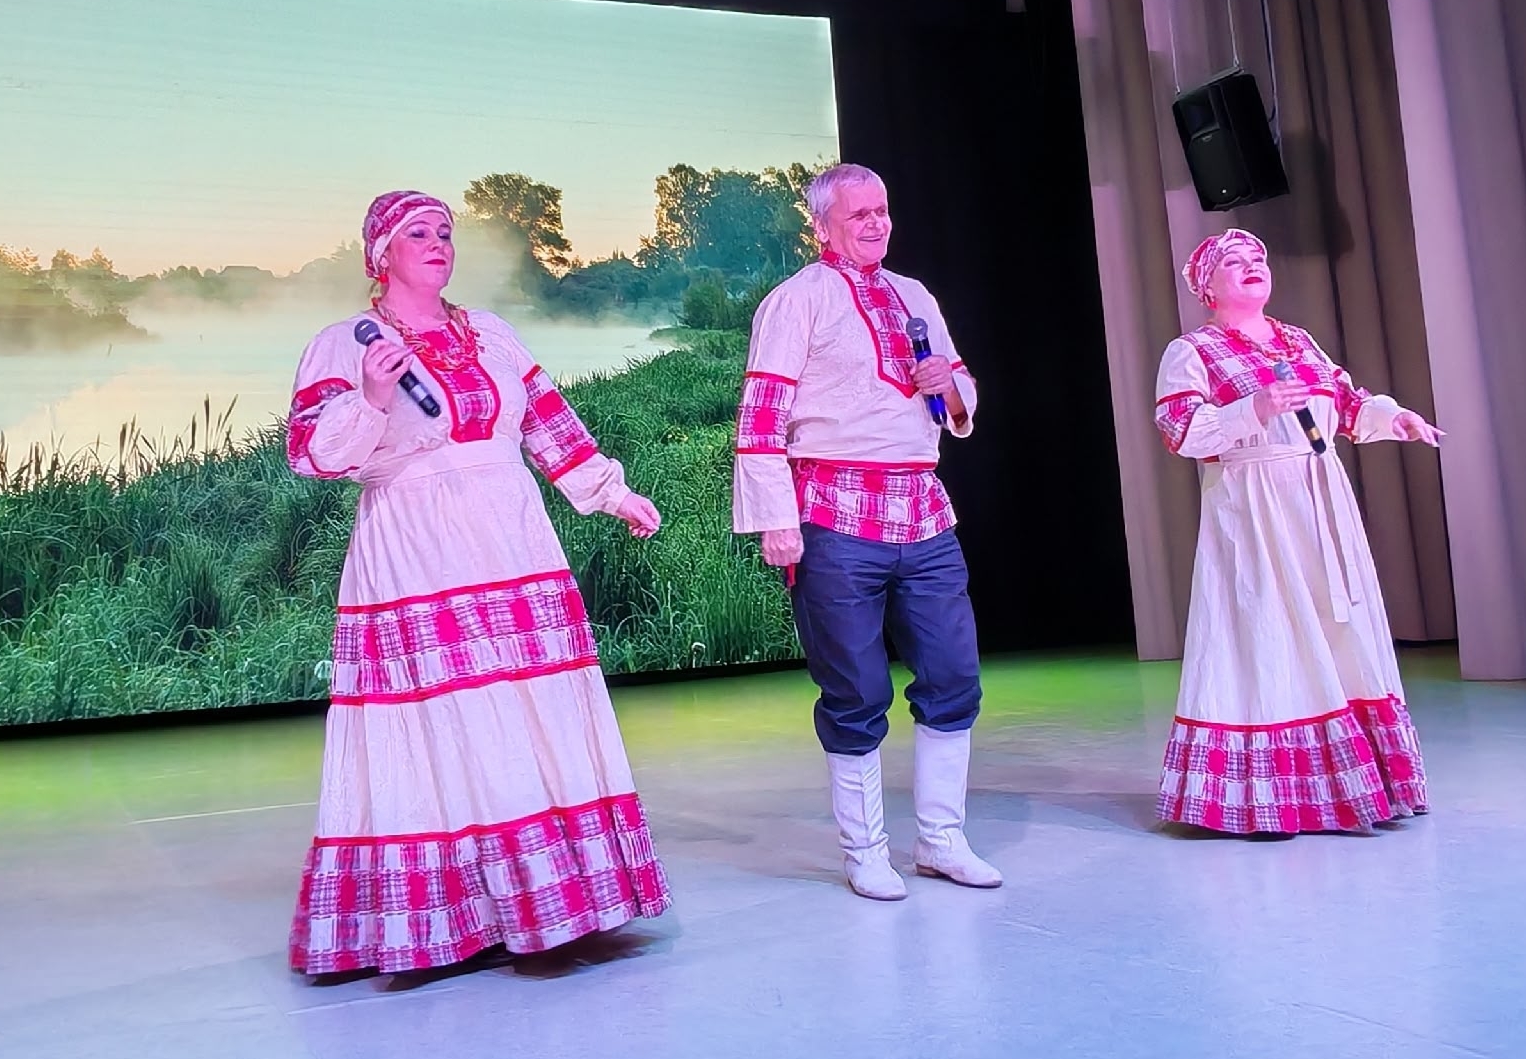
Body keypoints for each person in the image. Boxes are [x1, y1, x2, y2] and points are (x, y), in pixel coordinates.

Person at [284, 190, 671, 976]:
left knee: (527, 711)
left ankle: (546, 902)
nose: (438, 243)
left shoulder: (491, 333)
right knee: (444, 721)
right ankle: (449, 916)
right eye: (417, 234)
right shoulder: (343, 344)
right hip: (415, 546)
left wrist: (611, 493)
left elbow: (547, 424)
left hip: (510, 538)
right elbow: (313, 456)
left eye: (445, 232)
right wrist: (371, 398)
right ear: (380, 255)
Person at [733, 163, 1001, 900]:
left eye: (882, 210)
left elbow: (960, 395)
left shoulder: (915, 296)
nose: (877, 223)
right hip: (834, 510)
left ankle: (942, 840)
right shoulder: (796, 300)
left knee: (953, 675)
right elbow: (761, 416)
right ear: (821, 225)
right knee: (855, 688)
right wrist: (775, 520)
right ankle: (865, 850)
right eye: (859, 215)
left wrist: (948, 386)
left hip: (923, 509)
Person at [1153, 229, 1441, 835]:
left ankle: (1354, 786)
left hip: (1320, 500)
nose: (1252, 265)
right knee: (1270, 630)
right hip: (1256, 506)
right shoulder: (1194, 350)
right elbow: (1181, 430)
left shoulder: (1298, 341)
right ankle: (1269, 796)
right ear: (1208, 287)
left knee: (1339, 630)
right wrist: (1253, 408)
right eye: (1235, 262)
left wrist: (1394, 418)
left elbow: (1347, 402)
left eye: (1258, 257)